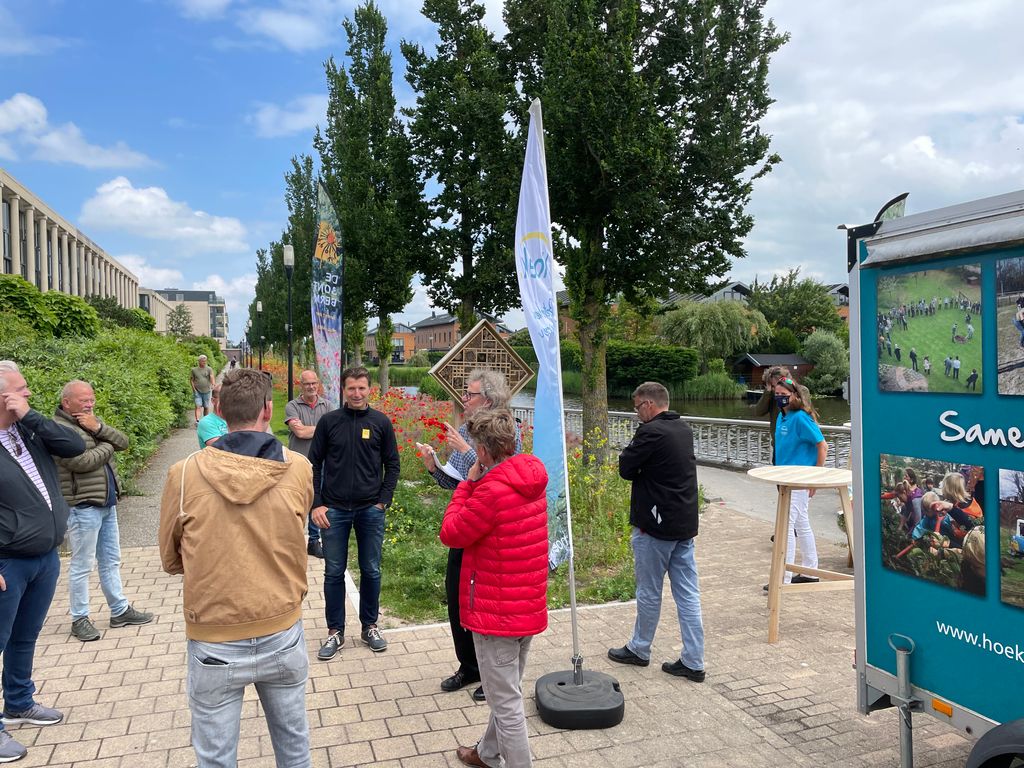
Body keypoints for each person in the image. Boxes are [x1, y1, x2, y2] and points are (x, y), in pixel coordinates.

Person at [159, 368, 313, 768]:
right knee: (295, 750)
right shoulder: (297, 468)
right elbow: (298, 530)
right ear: (268, 409)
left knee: (215, 759)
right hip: (282, 627)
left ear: (219, 410)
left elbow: (170, 559)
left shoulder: (185, 473)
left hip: (214, 635)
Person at [439, 409, 548, 768]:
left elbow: (451, 532)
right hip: (525, 606)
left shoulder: (490, 491)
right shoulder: (530, 479)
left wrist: (466, 485)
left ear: (483, 452)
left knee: (507, 705)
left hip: (496, 613)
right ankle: (487, 753)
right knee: (507, 693)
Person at [0, 361, 85, 763]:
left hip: (43, 556)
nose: (29, 393)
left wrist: (28, 416)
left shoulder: (25, 430)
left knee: (24, 637)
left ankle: (18, 702)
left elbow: (75, 446)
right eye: (22, 389)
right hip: (7, 563)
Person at [418, 370, 520, 702]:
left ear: (488, 400)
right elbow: (460, 481)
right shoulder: (465, 428)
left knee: (485, 601)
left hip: (492, 530)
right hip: (466, 522)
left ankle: (490, 675)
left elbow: (498, 475)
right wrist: (434, 466)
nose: (464, 399)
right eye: (465, 393)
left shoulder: (507, 429)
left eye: (470, 394)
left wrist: (464, 449)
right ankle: (468, 666)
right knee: (457, 594)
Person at [608, 381, 706, 683]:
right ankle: (694, 660)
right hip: (683, 524)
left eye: (637, 407)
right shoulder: (683, 429)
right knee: (688, 593)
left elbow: (625, 468)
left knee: (649, 591)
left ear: (649, 404)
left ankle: (639, 649)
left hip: (655, 526)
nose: (637, 414)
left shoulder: (651, 432)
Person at [309, 366, 400, 659]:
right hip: (333, 510)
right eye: (351, 388)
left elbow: (393, 464)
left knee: (371, 569)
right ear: (343, 390)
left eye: (362, 388)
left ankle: (370, 626)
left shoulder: (381, 423)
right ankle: (335, 632)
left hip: (370, 510)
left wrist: (383, 501)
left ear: (369, 389)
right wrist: (317, 503)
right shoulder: (329, 422)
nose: (357, 393)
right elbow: (314, 465)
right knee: (334, 571)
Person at [53, 380, 153, 642]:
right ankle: (79, 618)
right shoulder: (59, 429)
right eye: (83, 400)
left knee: (111, 560)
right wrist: (108, 445)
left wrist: (99, 428)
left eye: (92, 398)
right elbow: (81, 462)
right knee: (82, 565)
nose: (89, 403)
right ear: (67, 403)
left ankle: (119, 610)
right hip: (83, 506)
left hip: (107, 502)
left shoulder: (91, 423)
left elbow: (124, 441)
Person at [769, 377, 827, 586]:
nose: (780, 398)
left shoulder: (801, 418)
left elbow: (822, 445)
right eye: (777, 394)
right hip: (786, 480)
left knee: (787, 526)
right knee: (801, 524)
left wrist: (816, 478)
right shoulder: (781, 417)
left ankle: (783, 578)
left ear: (794, 396)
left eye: (784, 395)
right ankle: (811, 570)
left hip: (800, 481)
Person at [285, 370, 330, 559]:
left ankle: (313, 541)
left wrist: (312, 429)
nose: (311, 387)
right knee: (295, 503)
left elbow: (334, 432)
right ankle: (291, 542)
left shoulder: (326, 405)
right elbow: (300, 433)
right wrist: (324, 428)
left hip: (321, 463)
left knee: (317, 501)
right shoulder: (292, 406)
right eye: (307, 384)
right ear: (300, 385)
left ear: (318, 384)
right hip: (298, 463)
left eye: (314, 383)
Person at [750, 366, 790, 464]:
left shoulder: (801, 391)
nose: (775, 389)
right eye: (772, 386)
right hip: (778, 445)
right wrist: (767, 392)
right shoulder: (771, 394)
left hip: (795, 446)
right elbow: (758, 412)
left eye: (777, 385)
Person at [191, 354, 215, 426]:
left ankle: (205, 421)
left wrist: (213, 384)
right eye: (202, 361)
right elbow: (191, 380)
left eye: (205, 361)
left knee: (206, 406)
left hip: (207, 391)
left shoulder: (209, 369)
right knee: (198, 406)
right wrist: (194, 389)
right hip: (197, 391)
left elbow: (211, 376)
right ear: (199, 361)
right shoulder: (194, 370)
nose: (204, 362)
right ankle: (198, 421)